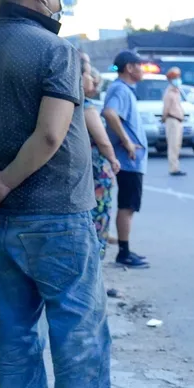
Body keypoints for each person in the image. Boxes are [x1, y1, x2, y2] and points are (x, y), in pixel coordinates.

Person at [0, 0, 140, 388]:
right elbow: (49, 137)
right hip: (59, 208)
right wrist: (0, 182)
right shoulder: (56, 50)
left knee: (17, 321)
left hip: (6, 218)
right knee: (78, 317)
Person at [101, 49, 149, 268]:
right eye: (139, 65)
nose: (142, 69)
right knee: (127, 206)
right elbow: (110, 113)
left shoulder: (125, 90)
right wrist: (127, 142)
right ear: (129, 67)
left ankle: (125, 250)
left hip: (133, 160)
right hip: (129, 159)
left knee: (129, 206)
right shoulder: (120, 89)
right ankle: (124, 252)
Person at [80, 54, 120, 258]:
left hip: (83, 170)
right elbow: (103, 140)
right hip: (96, 169)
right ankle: (96, 261)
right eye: (89, 76)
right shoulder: (85, 106)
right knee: (98, 216)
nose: (94, 83)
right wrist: (113, 160)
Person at [162, 67, 186, 177]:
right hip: (172, 120)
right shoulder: (169, 92)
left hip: (178, 121)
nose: (178, 79)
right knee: (173, 145)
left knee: (177, 145)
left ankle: (176, 166)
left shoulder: (177, 91)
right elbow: (166, 108)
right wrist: (164, 118)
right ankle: (173, 168)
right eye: (176, 77)